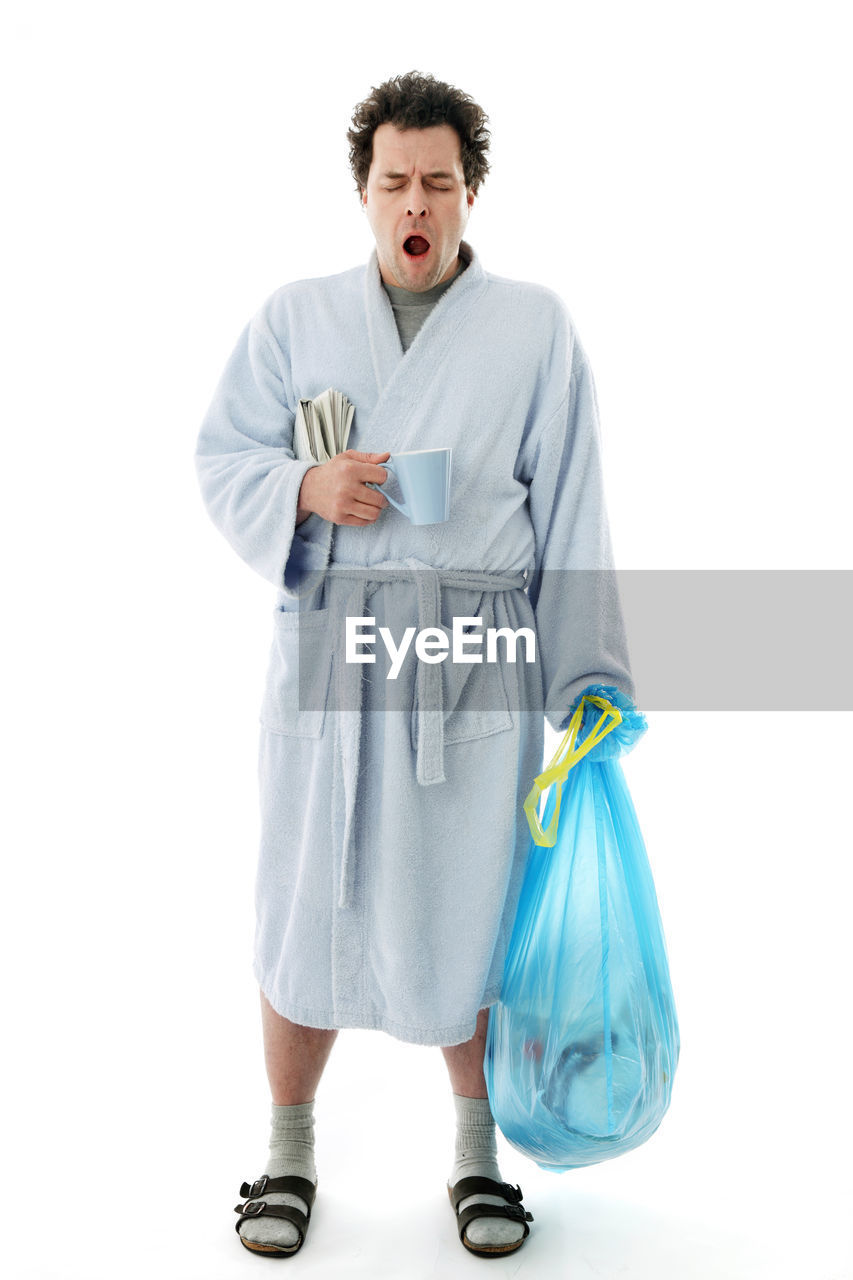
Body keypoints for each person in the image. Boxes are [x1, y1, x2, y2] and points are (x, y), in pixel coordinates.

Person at [195, 70, 644, 1260]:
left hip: (472, 658)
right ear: (364, 193)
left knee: (476, 908)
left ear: (470, 192)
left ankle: (477, 1154)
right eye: (394, 180)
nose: (417, 201)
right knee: (304, 904)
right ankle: (287, 1148)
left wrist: (587, 675)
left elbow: (576, 507)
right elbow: (218, 453)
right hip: (331, 650)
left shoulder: (534, 326)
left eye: (438, 182)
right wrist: (301, 485)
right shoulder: (295, 317)